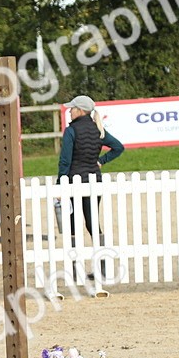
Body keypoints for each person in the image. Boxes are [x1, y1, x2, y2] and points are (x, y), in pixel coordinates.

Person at [57, 95, 124, 258]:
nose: (70, 112)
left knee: (71, 224)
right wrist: (101, 161)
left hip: (74, 182)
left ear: (80, 111)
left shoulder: (71, 131)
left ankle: (74, 267)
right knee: (93, 223)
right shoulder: (98, 129)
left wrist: (60, 183)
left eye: (72, 109)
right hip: (94, 181)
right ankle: (103, 263)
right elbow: (118, 147)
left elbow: (65, 161)